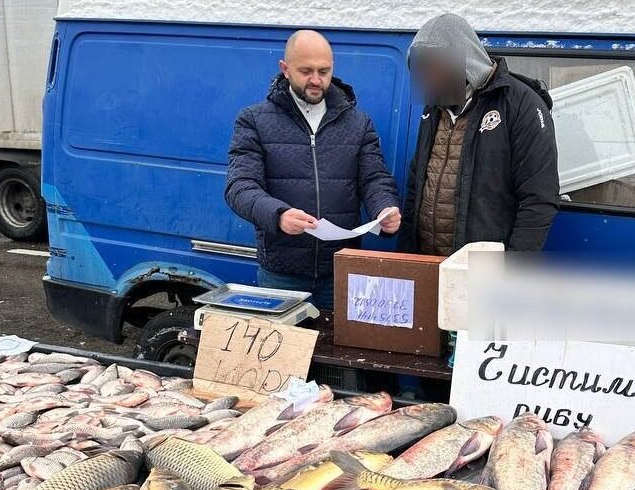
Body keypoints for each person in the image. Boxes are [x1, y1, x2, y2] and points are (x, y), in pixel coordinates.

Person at [226, 30, 400, 309]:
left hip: (341, 269)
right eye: (306, 71)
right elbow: (240, 186)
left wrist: (384, 208)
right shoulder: (253, 121)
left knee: (336, 352)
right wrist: (279, 214)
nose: (316, 80)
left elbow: (374, 178)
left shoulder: (358, 123)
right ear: (285, 69)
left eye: (324, 71)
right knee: (284, 353)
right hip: (282, 274)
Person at [398, 13, 560, 256]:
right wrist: (406, 257)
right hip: (427, 265)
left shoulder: (521, 104)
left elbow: (539, 199)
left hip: (482, 271)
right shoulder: (434, 109)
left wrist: (513, 272)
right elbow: (417, 183)